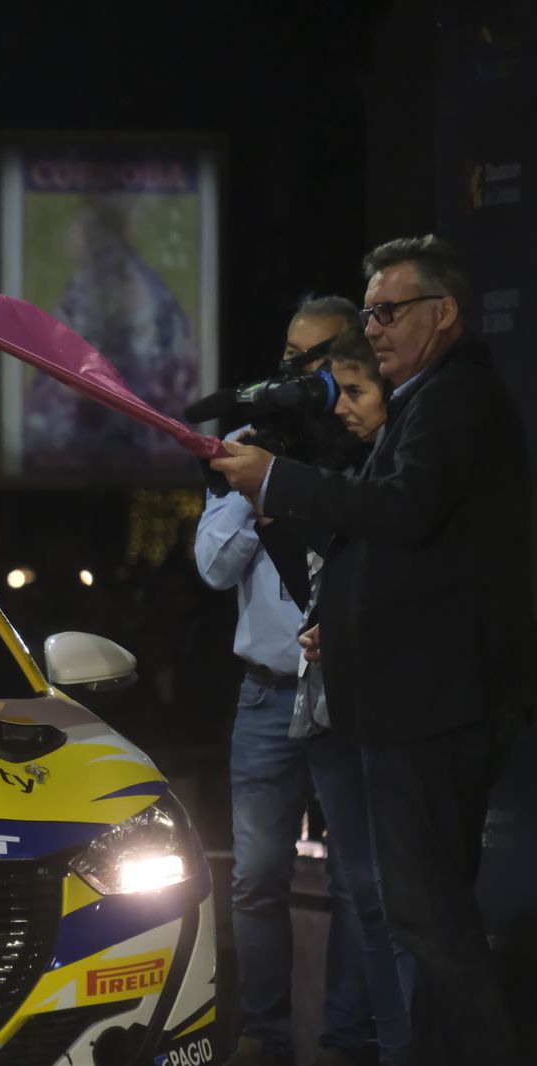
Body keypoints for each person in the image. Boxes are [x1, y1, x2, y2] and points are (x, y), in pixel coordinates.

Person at [212, 236, 533, 1064]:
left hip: (430, 705)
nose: (376, 328)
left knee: (430, 920)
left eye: (389, 312)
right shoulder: (431, 398)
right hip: (410, 699)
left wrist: (278, 481)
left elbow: (401, 512)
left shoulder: (454, 399)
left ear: (445, 313)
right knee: (428, 921)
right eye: (370, 313)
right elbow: (385, 547)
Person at [196, 297, 381, 1066]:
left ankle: (345, 1041)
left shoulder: (364, 441)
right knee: (255, 882)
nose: (290, 372)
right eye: (286, 354)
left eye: (309, 359)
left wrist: (301, 486)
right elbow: (212, 567)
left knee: (355, 886)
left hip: (347, 692)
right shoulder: (246, 442)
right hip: (268, 689)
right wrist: (257, 490)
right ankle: (262, 1038)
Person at [287, 331, 410, 1066]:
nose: (345, 410)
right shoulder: (321, 469)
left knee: (391, 902)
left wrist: (349, 629)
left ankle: (398, 1048)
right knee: (363, 894)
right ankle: (353, 1045)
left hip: (385, 708)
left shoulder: (401, 479)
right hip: (324, 706)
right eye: (334, 399)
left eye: (357, 393)